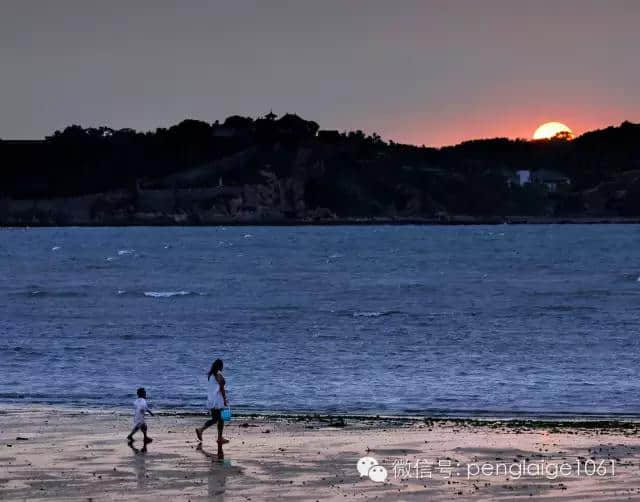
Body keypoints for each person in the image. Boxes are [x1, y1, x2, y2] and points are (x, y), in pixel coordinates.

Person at [195, 359, 228, 444]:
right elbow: (221, 388)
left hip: (211, 399)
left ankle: (218, 437)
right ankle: (202, 430)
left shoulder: (210, 375)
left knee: (216, 419)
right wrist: (225, 399)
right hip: (218, 400)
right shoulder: (218, 374)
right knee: (219, 419)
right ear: (220, 366)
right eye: (222, 365)